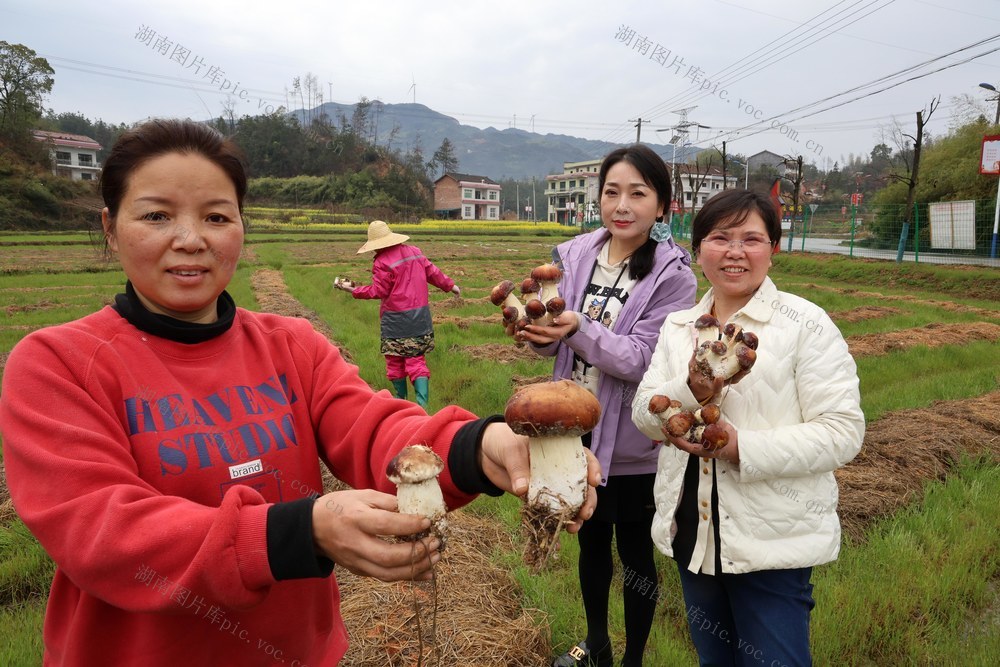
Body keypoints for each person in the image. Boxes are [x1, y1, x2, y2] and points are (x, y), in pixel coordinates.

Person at [0, 118, 599, 667]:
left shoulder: (290, 344)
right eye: (156, 216)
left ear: (240, 225)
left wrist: (482, 444)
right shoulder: (58, 364)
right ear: (109, 225)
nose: (190, 239)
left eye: (216, 216)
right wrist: (298, 531)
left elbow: (372, 426)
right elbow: (104, 532)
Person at [631, 189, 865, 666]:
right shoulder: (679, 328)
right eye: (720, 237)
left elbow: (842, 432)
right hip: (693, 533)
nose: (735, 251)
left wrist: (742, 447)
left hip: (772, 541)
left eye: (752, 239)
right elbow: (643, 415)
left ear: (773, 250)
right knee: (714, 660)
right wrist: (691, 386)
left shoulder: (807, 326)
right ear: (698, 250)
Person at [518, 144, 698, 667]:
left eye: (638, 194)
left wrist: (580, 326)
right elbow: (555, 345)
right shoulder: (574, 255)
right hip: (575, 431)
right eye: (612, 192)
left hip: (633, 442)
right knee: (591, 541)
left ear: (662, 205)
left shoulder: (673, 276)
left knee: (636, 554)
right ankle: (596, 645)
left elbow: (644, 358)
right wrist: (540, 333)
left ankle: (633, 659)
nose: (623, 204)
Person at [334, 220, 460, 409]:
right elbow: (433, 272)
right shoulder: (414, 252)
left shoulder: (382, 262)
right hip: (420, 318)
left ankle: (401, 405)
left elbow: (378, 291)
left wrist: (353, 290)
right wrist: (450, 285)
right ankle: (422, 408)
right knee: (416, 360)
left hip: (395, 321)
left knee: (395, 361)